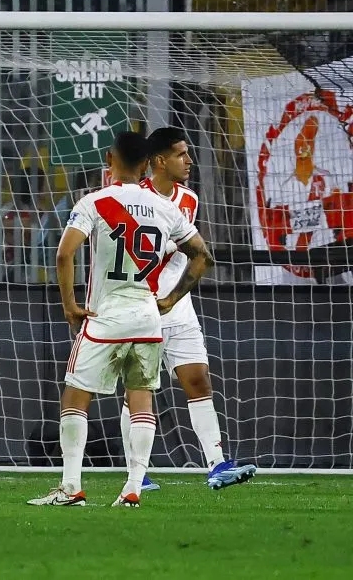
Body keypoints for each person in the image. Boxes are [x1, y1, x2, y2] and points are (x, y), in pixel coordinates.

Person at [28, 131, 213, 508]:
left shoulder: (95, 202)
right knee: (141, 398)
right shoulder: (166, 207)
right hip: (147, 316)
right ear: (147, 163)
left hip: (104, 316)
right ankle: (131, 488)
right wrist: (171, 299)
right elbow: (202, 256)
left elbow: (65, 255)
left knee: (75, 399)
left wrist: (69, 305)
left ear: (110, 160)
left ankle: (71, 488)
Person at [126, 127, 256, 491]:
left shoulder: (189, 199)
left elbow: (190, 250)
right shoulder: (133, 198)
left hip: (178, 305)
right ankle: (137, 472)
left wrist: (174, 297)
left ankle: (216, 464)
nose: (189, 160)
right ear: (158, 161)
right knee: (139, 391)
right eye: (181, 154)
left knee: (198, 380)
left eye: (188, 153)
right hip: (140, 305)